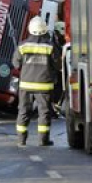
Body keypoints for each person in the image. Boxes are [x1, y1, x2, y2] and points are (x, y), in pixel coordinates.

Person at [12, 16, 58, 147]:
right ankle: (43, 140)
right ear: (44, 29)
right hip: (44, 85)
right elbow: (57, 65)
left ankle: (21, 140)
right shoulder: (50, 46)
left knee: (23, 111)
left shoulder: (23, 46)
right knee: (44, 112)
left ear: (30, 29)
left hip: (26, 85)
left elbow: (16, 64)